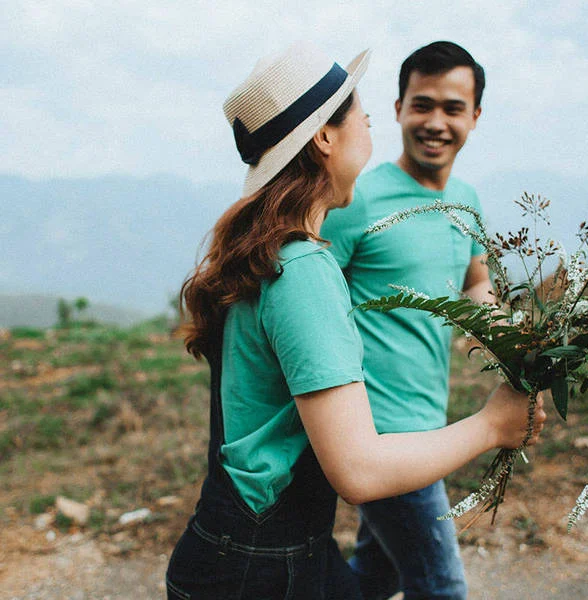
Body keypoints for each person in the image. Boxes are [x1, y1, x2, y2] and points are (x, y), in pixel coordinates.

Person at [165, 42, 545, 600]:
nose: (368, 125)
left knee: (371, 578)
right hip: (257, 567)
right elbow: (359, 471)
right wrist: (491, 426)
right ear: (325, 137)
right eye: (360, 113)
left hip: (270, 548)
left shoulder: (277, 252)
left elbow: (474, 282)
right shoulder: (303, 269)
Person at [321, 41, 492, 599]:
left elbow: (476, 282)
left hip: (429, 430)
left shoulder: (465, 201)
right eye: (422, 105)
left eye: (452, 108)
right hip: (380, 435)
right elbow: (310, 297)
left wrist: (515, 340)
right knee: (441, 588)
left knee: (378, 575)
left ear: (474, 116)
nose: (435, 122)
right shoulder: (358, 200)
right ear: (398, 109)